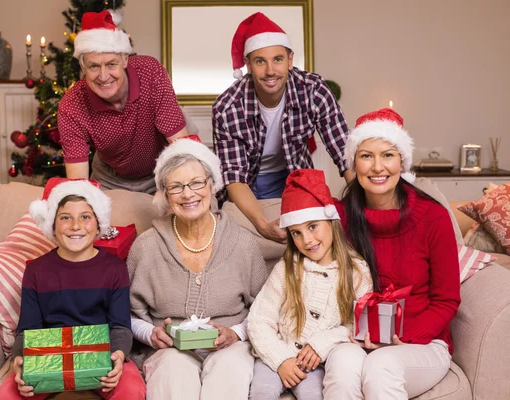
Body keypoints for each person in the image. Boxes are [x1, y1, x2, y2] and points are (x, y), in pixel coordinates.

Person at [323, 108, 461, 399]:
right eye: (366, 156)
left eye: (387, 155)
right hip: (357, 337)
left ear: (402, 162)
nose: (377, 167)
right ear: (353, 164)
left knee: (381, 365)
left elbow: (447, 300)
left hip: (421, 342)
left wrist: (399, 338)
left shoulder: (433, 218)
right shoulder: (340, 217)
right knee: (343, 366)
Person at [127, 138, 269, 399]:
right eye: (176, 187)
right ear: (165, 195)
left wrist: (236, 333)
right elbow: (125, 314)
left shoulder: (242, 243)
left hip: (230, 348)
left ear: (212, 185)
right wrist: (151, 334)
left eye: (196, 183)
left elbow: (267, 309)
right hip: (169, 350)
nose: (188, 194)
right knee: (173, 370)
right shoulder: (146, 246)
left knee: (230, 369)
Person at [0, 179, 146, 400]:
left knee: (131, 391)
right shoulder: (36, 270)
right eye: (65, 218)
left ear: (98, 225)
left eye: (85, 217)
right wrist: (20, 360)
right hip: (48, 357)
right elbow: (28, 329)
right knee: (7, 396)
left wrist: (117, 356)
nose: (75, 226)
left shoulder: (114, 268)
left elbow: (120, 326)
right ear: (53, 226)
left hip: (101, 354)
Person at [212, 12, 354, 243]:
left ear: (290, 60)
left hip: (295, 176)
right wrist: (261, 224)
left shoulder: (313, 90)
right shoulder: (228, 107)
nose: (270, 71)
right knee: (235, 237)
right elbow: (234, 177)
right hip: (246, 183)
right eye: (260, 61)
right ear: (248, 65)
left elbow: (345, 153)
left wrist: (367, 203)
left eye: (277, 59)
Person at [247, 169, 373, 400]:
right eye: (296, 232)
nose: (307, 240)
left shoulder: (357, 270)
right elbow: (259, 319)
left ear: (331, 222)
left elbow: (359, 325)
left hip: (317, 364)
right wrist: (280, 358)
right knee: (261, 393)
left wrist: (323, 342)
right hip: (276, 356)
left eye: (313, 226)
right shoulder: (287, 268)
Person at [58, 10, 190, 193]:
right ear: (83, 66)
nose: (103, 77)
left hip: (162, 167)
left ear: (125, 59)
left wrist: (180, 189)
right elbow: (77, 182)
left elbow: (181, 146)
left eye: (111, 64)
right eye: (94, 66)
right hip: (110, 178)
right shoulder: (71, 105)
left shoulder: (150, 72)